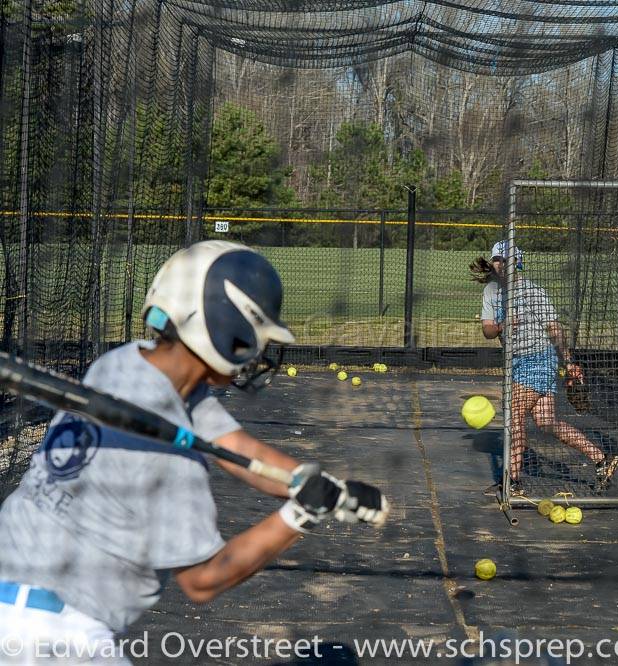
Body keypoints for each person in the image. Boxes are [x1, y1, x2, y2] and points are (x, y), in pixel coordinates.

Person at [0, 241, 388, 664]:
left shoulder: (122, 365)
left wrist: (319, 487)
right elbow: (204, 580)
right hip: (59, 643)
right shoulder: (173, 468)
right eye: (252, 337)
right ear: (224, 328)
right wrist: (300, 516)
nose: (254, 352)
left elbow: (234, 445)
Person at [472, 240, 618, 495]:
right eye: (497, 259)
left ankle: (513, 482)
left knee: (514, 416)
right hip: (515, 362)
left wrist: (569, 362)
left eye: (506, 259)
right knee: (546, 422)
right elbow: (487, 330)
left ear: (517, 263)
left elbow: (554, 328)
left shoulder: (533, 292)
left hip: (539, 358)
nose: (501, 264)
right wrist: (502, 325)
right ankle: (601, 459)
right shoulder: (491, 292)